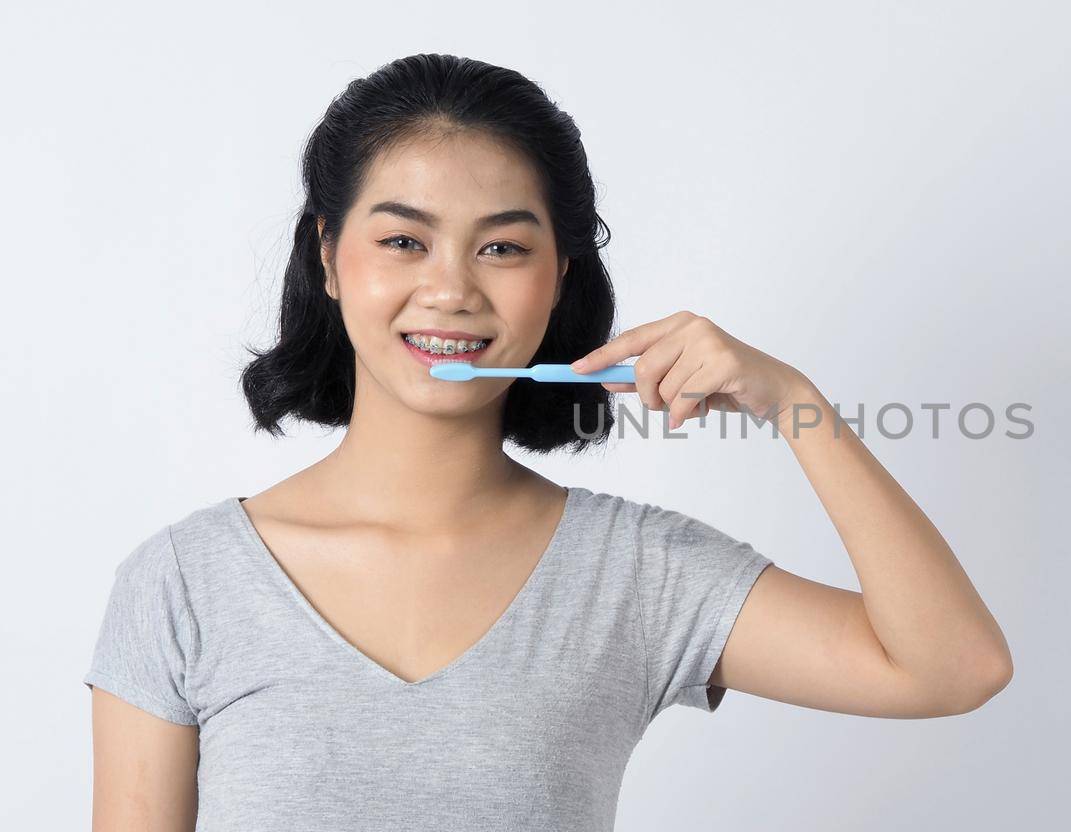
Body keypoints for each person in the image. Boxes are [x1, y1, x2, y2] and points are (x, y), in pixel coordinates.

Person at [83, 52, 1013, 831]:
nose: (451, 290)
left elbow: (952, 668)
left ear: (559, 277)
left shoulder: (639, 571)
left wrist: (796, 405)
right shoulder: (183, 580)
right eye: (405, 241)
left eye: (501, 248)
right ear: (328, 256)